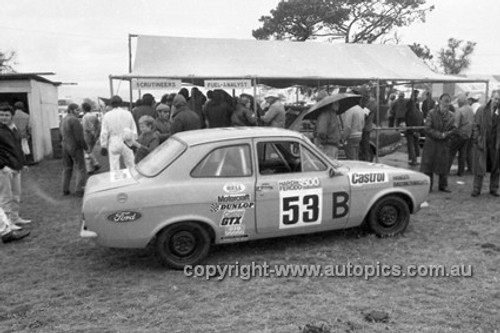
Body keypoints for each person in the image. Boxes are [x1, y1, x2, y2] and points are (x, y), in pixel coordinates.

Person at [0, 102, 32, 229]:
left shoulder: (13, 128)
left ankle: (14, 218)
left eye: (6, 115)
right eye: (1, 115)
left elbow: (17, 147)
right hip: (5, 169)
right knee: (6, 197)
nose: (3, 117)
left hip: (16, 166)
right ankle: (7, 224)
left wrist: (22, 163)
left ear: (11, 116)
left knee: (16, 195)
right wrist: (2, 166)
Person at [419, 93, 457, 193]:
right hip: (431, 144)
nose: (447, 103)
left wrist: (446, 135)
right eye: (445, 100)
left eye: (448, 101)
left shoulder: (452, 116)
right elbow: (427, 128)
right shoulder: (431, 113)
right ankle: (429, 186)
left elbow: (454, 129)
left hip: (444, 144)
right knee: (428, 166)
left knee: (444, 166)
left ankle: (443, 185)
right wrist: (440, 135)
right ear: (440, 101)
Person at [471, 91, 500, 197]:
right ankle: (476, 189)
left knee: (496, 167)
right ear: (491, 98)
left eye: (499, 99)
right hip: (483, 142)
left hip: (496, 144)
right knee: (480, 167)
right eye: (496, 98)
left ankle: (494, 189)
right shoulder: (481, 110)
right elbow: (475, 125)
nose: (497, 101)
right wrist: (477, 138)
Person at [100, 95, 137, 171]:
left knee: (114, 167)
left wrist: (103, 145)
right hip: (127, 141)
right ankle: (134, 179)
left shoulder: (107, 115)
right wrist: (134, 142)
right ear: (122, 103)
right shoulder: (128, 113)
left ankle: (116, 181)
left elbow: (104, 132)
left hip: (113, 141)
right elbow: (133, 129)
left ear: (111, 104)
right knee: (131, 165)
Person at [60, 103, 88, 196]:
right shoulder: (74, 120)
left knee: (67, 168)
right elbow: (79, 137)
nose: (78, 112)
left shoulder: (63, 120)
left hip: (64, 146)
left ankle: (65, 189)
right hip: (75, 147)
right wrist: (85, 147)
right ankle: (79, 189)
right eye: (77, 110)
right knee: (81, 168)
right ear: (71, 110)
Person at [448, 94, 474, 176]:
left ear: (461, 102)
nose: (458, 104)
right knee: (462, 154)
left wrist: (450, 133)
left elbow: (456, 125)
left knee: (451, 153)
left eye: (458, 102)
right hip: (467, 135)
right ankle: (461, 172)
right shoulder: (471, 109)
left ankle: (445, 170)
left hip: (459, 135)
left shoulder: (460, 111)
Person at [357, 87, 377, 161]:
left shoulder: (371, 102)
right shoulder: (363, 100)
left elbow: (364, 114)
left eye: (360, 94)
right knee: (361, 147)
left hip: (366, 128)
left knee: (365, 146)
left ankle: (367, 161)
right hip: (360, 126)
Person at [81, 102, 101, 174]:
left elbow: (86, 127)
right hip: (94, 136)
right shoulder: (94, 116)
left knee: (87, 151)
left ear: (83, 109)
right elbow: (98, 126)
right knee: (90, 150)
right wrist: (96, 135)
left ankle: (91, 168)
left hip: (87, 135)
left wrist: (91, 133)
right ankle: (93, 166)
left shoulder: (85, 117)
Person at [405, 90, 423, 166]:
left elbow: (407, 119)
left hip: (411, 129)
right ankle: (417, 159)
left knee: (411, 145)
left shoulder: (409, 111)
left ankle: (413, 159)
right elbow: (422, 120)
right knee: (416, 144)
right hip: (417, 128)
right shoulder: (419, 111)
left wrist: (411, 129)